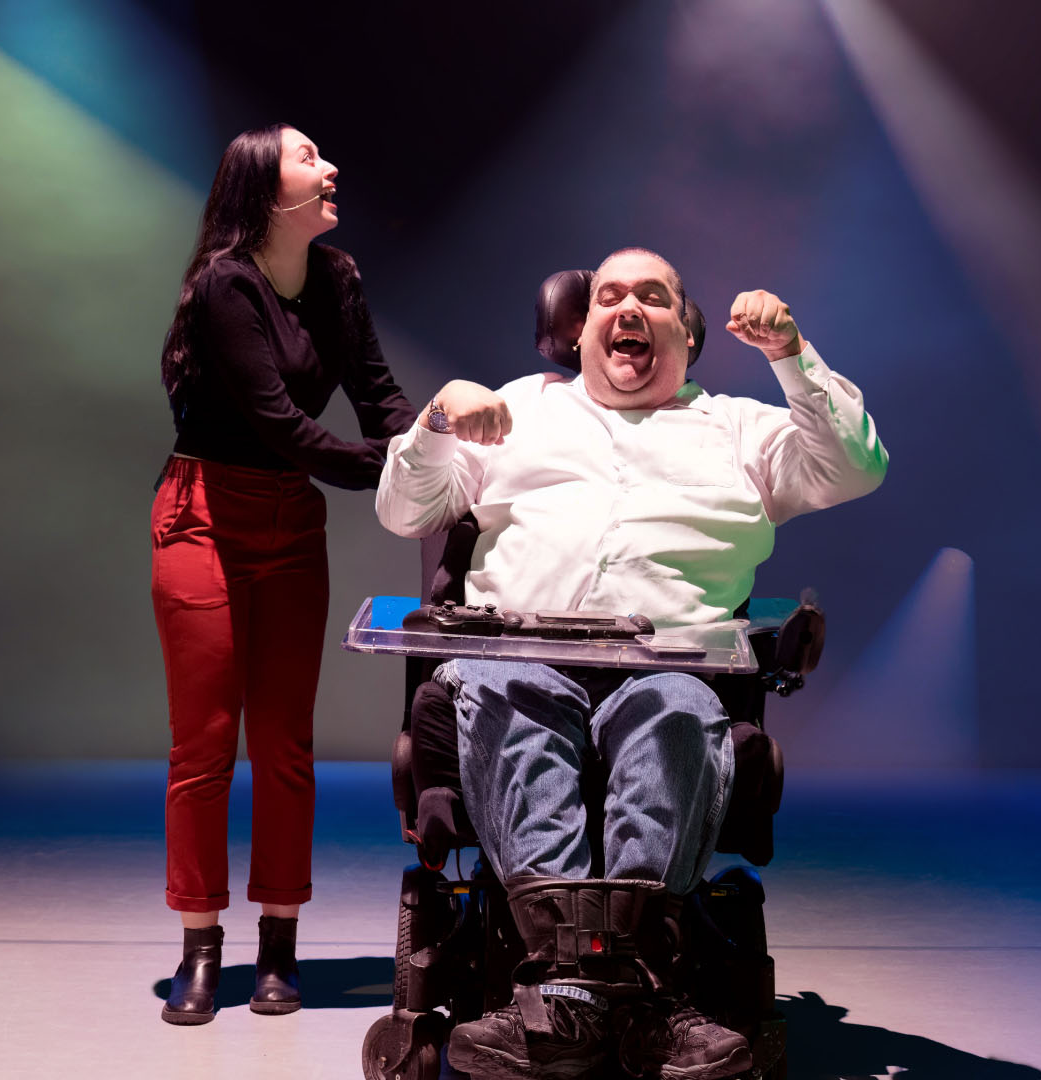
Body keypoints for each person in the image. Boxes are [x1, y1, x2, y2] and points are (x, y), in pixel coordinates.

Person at [376, 247, 886, 1079]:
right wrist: (435, 422)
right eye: (610, 296)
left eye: (654, 297)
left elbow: (857, 467)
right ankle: (603, 998)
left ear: (687, 331)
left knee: (675, 708)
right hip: (521, 660)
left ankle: (596, 999)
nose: (630, 309)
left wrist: (791, 356)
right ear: (578, 332)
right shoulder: (517, 410)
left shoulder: (740, 428)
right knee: (511, 691)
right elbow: (404, 510)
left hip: (672, 669)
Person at [152, 123, 416, 1025]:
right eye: (310, 158)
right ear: (267, 193)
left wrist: (429, 450)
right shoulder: (228, 285)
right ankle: (199, 946)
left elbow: (379, 395)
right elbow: (282, 427)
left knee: (284, 742)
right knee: (205, 741)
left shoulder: (337, 280)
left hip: (289, 521)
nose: (332, 165)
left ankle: (277, 946)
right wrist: (389, 468)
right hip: (205, 518)